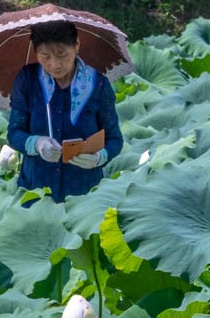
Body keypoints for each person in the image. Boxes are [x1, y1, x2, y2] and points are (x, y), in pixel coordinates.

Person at [7, 20, 123, 202]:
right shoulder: (27, 79)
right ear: (35, 52)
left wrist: (99, 157)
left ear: (77, 45)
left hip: (84, 193)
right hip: (35, 191)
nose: (55, 64)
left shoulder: (98, 84)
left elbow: (114, 139)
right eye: (45, 56)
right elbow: (14, 133)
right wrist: (37, 143)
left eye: (62, 54)